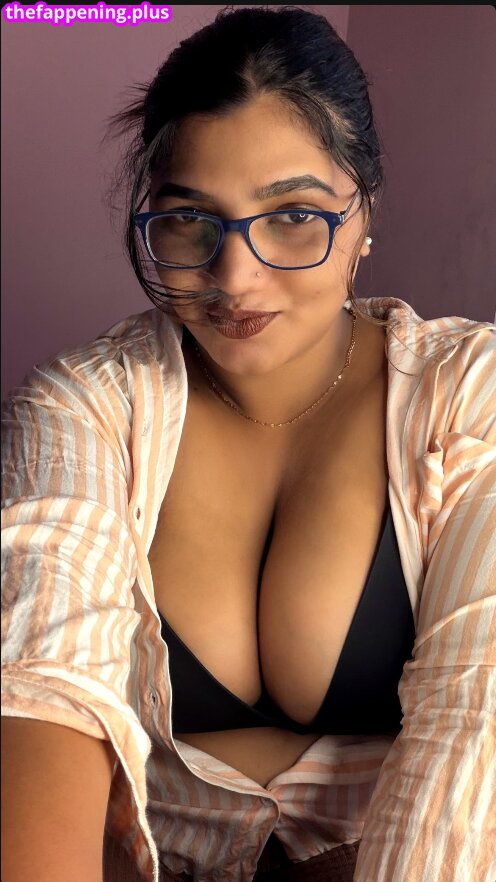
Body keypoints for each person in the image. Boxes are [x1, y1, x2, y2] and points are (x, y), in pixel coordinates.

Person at [1, 7, 495, 882]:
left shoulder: (468, 395)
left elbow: (475, 723)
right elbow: (43, 687)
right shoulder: (84, 405)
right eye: (190, 219)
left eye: (293, 215)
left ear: (364, 211)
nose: (236, 278)